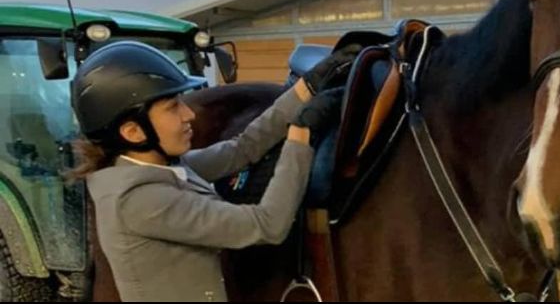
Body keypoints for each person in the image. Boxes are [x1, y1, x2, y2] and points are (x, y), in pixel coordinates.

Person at [69, 41, 357, 302]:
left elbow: (242, 149)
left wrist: (307, 87)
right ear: (133, 131)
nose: (189, 114)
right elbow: (268, 225)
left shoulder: (163, 169)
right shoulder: (140, 200)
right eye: (172, 108)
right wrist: (300, 136)